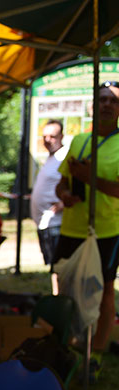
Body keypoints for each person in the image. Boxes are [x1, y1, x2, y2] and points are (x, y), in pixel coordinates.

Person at [55, 81, 119, 355]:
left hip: (106, 231)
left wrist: (89, 178)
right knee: (63, 284)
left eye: (113, 101)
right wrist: (66, 194)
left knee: (104, 291)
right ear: (93, 106)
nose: (107, 104)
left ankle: (97, 351)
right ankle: (66, 344)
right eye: (102, 99)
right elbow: (62, 182)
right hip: (72, 228)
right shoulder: (80, 140)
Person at [30, 119, 66, 268]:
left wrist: (63, 203)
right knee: (52, 265)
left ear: (61, 137)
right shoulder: (52, 157)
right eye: (45, 137)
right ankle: (55, 291)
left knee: (58, 266)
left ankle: (59, 292)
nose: (47, 140)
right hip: (44, 222)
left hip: (56, 222)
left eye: (52, 136)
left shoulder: (64, 156)